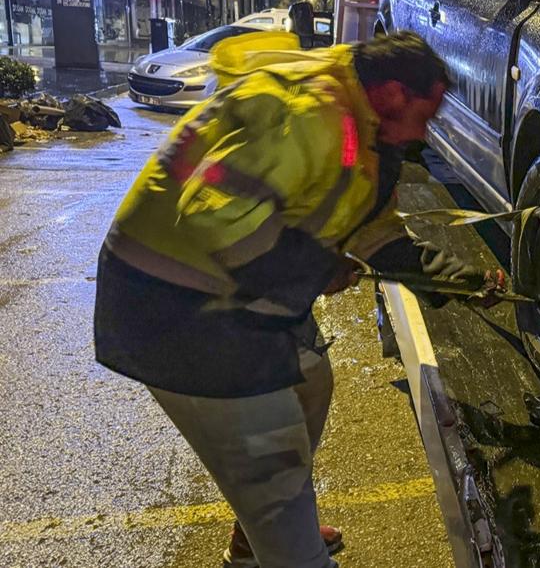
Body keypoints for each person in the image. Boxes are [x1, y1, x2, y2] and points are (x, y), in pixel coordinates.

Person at [93, 32, 477, 568]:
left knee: (309, 379)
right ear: (392, 94)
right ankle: (282, 540)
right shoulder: (306, 113)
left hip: (225, 297)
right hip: (175, 307)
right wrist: (320, 268)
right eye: (426, 115)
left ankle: (256, 537)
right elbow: (213, 219)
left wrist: (435, 272)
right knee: (273, 468)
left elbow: (366, 222)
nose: (427, 131)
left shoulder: (364, 123)